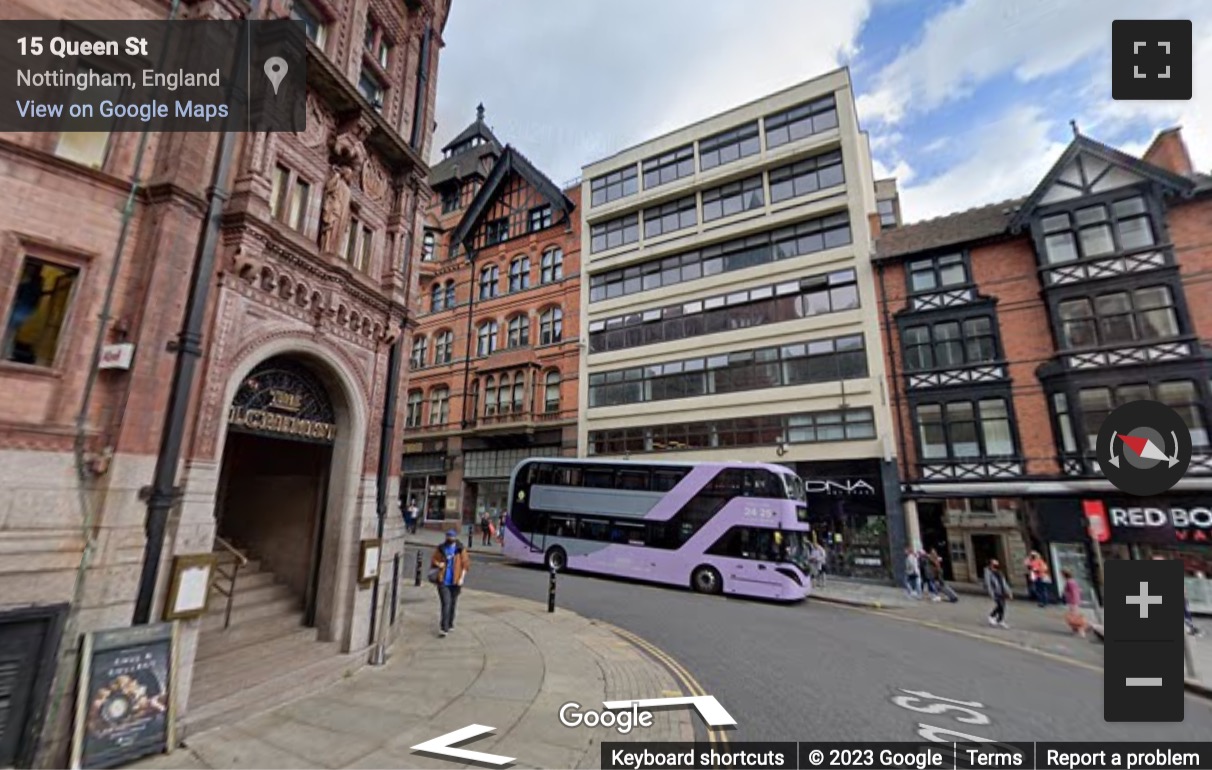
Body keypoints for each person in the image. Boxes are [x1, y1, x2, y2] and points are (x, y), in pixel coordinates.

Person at [431, 529, 470, 637]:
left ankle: (450, 623)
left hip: (456, 581)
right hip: (443, 580)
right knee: (446, 603)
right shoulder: (441, 548)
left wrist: (462, 578)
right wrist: (439, 564)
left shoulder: (460, 549)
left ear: (455, 538)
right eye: (448, 536)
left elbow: (465, 564)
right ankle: (444, 628)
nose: (449, 538)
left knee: (453, 603)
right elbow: (434, 559)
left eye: (451, 537)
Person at [985, 559, 1012, 629]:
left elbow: (1004, 583)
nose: (995, 566)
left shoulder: (999, 573)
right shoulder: (988, 572)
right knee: (1000, 605)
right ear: (990, 565)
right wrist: (991, 593)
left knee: (1002, 606)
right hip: (996, 592)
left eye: (996, 564)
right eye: (994, 564)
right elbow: (988, 584)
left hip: (1002, 591)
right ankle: (992, 616)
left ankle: (1000, 620)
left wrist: (1009, 592)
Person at [1062, 570, 1088, 639]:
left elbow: (1072, 592)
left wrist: (1068, 597)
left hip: (1072, 600)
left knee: (1074, 616)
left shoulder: (1069, 582)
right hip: (1075, 600)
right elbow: (1078, 590)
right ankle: (1076, 629)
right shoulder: (1073, 581)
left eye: (1062, 575)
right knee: (1074, 615)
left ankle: (1081, 630)